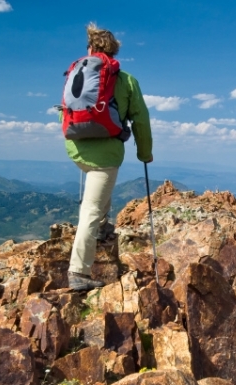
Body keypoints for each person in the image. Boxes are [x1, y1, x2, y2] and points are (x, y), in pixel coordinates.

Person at [65, 23, 153, 292]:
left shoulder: (76, 73)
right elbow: (141, 120)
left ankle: (102, 227)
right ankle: (78, 271)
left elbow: (66, 111)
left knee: (97, 193)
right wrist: (144, 152)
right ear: (114, 52)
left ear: (90, 49)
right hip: (107, 155)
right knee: (90, 209)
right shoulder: (125, 80)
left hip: (77, 149)